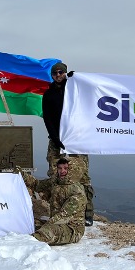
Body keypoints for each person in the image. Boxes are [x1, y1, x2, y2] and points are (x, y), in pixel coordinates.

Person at [42, 62, 95, 226]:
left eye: (61, 72)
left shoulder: (74, 89)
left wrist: (76, 79)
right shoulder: (48, 94)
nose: (58, 75)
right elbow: (47, 118)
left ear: (65, 73)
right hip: (57, 140)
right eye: (55, 73)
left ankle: (87, 214)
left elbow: (90, 93)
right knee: (55, 174)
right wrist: (55, 138)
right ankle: (57, 213)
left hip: (77, 139)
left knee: (82, 175)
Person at [33, 158, 86, 245]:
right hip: (56, 222)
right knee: (33, 224)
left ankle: (26, 242)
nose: (62, 171)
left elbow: (63, 216)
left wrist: (46, 226)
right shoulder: (56, 181)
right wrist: (22, 175)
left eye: (66, 168)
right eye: (60, 168)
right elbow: (37, 185)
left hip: (72, 229)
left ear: (72, 170)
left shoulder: (77, 192)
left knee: (48, 232)